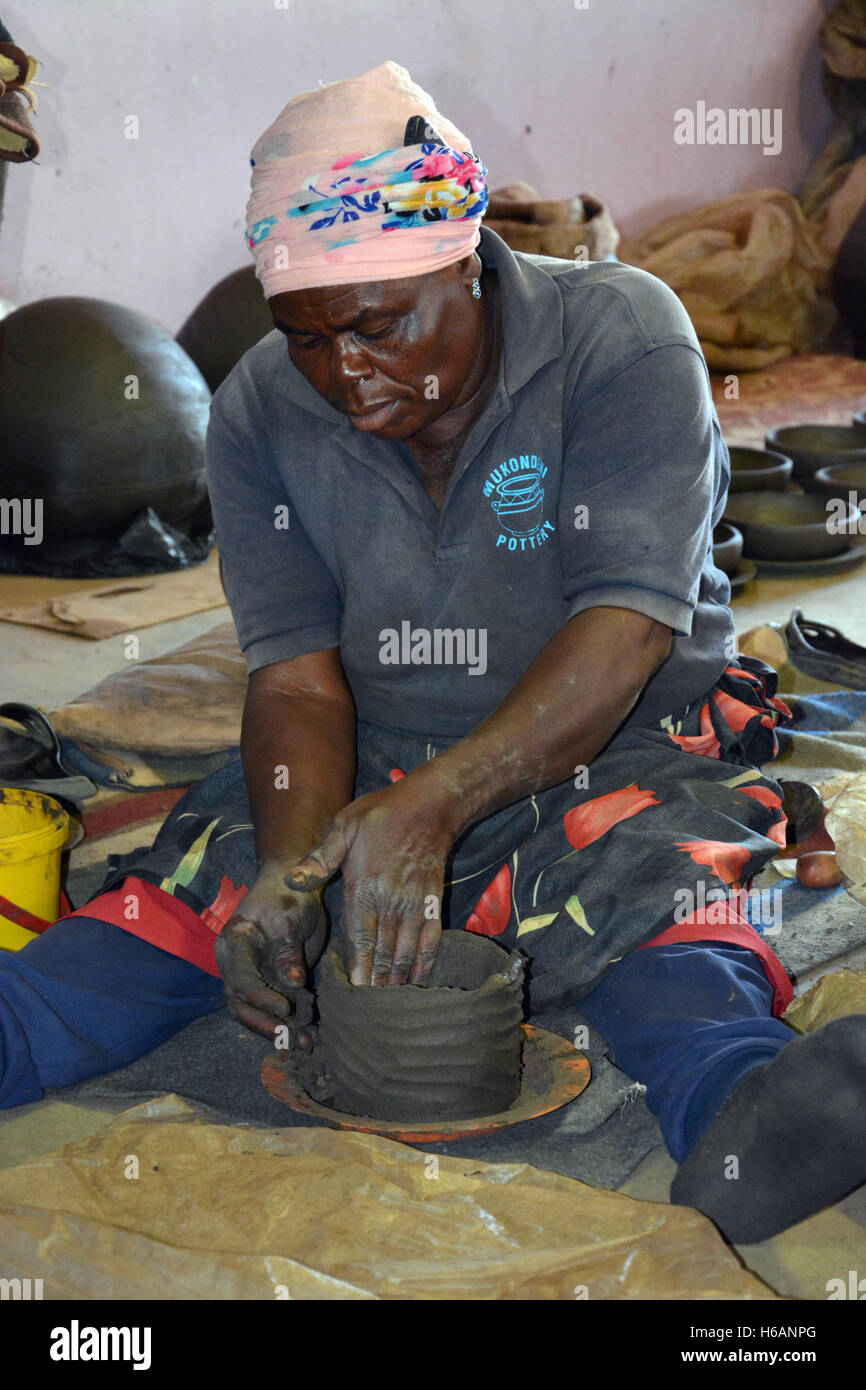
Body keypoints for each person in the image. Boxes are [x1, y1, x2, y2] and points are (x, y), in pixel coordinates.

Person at [1, 61, 863, 1247]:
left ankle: (745, 1110)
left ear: (466, 262)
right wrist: (297, 872)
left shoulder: (619, 337)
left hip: (612, 746)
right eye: (307, 338)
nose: (344, 377)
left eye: (375, 328)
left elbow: (625, 624)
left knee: (658, 915)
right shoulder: (259, 408)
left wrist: (439, 811)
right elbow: (297, 678)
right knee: (193, 905)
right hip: (377, 755)